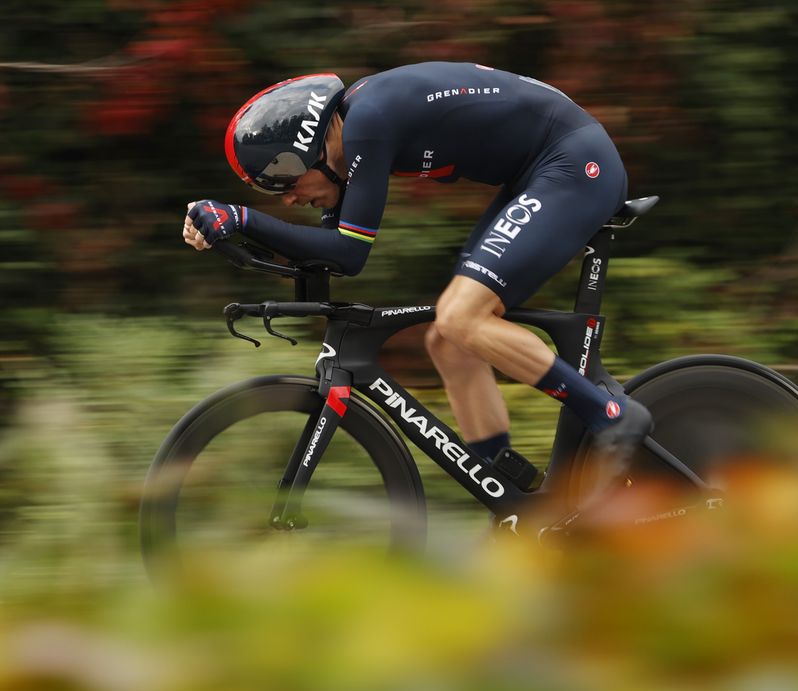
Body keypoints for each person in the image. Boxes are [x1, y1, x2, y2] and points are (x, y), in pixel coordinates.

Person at [183, 62, 651, 490]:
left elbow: (348, 254)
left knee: (460, 318)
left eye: (286, 182)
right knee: (448, 340)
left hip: (573, 165)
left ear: (313, 150)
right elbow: (326, 253)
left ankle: (610, 415)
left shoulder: (367, 125)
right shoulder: (351, 131)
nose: (287, 199)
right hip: (538, 173)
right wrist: (231, 234)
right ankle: (514, 489)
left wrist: (243, 220)